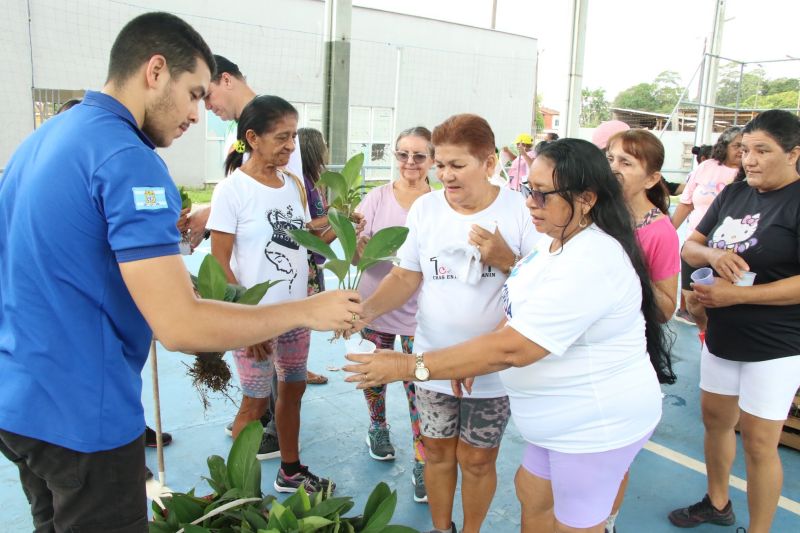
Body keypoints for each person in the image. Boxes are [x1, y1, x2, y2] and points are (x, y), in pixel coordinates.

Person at [0, 12, 361, 533]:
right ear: (154, 71)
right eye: (194, 93)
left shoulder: (44, 138)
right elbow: (181, 327)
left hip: (20, 400)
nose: (199, 114)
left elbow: (58, 260)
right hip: (80, 413)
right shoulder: (129, 159)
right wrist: (309, 308)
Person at [345, 138, 675, 533]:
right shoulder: (554, 244)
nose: (530, 202)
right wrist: (470, 355)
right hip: (558, 423)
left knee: (574, 522)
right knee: (531, 494)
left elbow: (514, 348)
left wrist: (405, 365)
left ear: (586, 199)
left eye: (542, 194)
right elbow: (518, 310)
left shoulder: (591, 260)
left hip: (591, 425)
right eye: (527, 190)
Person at [354, 114, 538, 533]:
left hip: (491, 367)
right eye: (441, 165)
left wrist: (506, 259)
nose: (445, 175)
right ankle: (442, 528)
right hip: (432, 360)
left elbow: (540, 289)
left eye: (458, 165)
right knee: (435, 453)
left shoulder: (519, 212)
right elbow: (406, 276)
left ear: (490, 164)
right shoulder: (426, 209)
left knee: (477, 459)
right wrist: (366, 312)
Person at [668, 110, 800, 533]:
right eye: (745, 150)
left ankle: (759, 529)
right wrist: (713, 256)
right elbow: (691, 246)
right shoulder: (733, 194)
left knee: (761, 444)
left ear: (794, 153)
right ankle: (718, 501)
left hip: (775, 345)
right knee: (716, 423)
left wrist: (739, 295)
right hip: (722, 335)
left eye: (763, 150)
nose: (750, 159)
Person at [208, 95, 336, 494]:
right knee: (254, 403)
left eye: (294, 136)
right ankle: (236, 491)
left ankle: (290, 470)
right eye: (282, 137)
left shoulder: (294, 185)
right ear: (253, 138)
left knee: (293, 390)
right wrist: (247, 324)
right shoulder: (232, 191)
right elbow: (220, 264)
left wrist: (339, 227)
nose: (291, 146)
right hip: (254, 321)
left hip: (296, 314)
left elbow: (304, 244)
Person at [352, 126, 433, 502]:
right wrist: (358, 246)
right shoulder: (375, 199)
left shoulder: (439, 202)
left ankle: (422, 459)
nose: (410, 163)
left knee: (421, 387)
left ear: (432, 159)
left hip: (423, 313)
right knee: (375, 375)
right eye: (403, 154)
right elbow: (355, 257)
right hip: (377, 305)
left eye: (419, 155)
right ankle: (378, 426)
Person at [605, 129, 680, 533]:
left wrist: (630, 265)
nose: (613, 168)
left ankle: (608, 522)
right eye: (611, 158)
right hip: (591, 346)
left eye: (626, 162)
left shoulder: (659, 231)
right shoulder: (597, 210)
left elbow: (667, 308)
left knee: (613, 456)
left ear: (652, 178)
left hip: (629, 352)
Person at [186, 54, 303, 246]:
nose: (207, 107)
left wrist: (211, 213)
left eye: (208, 96)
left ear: (226, 80)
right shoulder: (236, 129)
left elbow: (285, 200)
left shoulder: (275, 122)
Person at [671, 126, 743, 325]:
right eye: (737, 145)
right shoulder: (706, 167)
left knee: (724, 300)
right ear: (725, 146)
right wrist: (668, 233)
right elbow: (686, 203)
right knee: (693, 298)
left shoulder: (747, 175)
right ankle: (704, 334)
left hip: (728, 250)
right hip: (695, 243)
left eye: (745, 147)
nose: (741, 151)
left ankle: (715, 339)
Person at [298, 127, 334, 385]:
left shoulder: (316, 179)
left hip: (313, 260)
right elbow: (310, 226)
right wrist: (338, 221)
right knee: (302, 318)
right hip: (306, 260)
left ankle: (300, 367)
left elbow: (321, 215)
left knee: (304, 319)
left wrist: (339, 213)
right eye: (323, 144)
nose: (326, 149)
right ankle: (298, 368)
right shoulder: (302, 182)